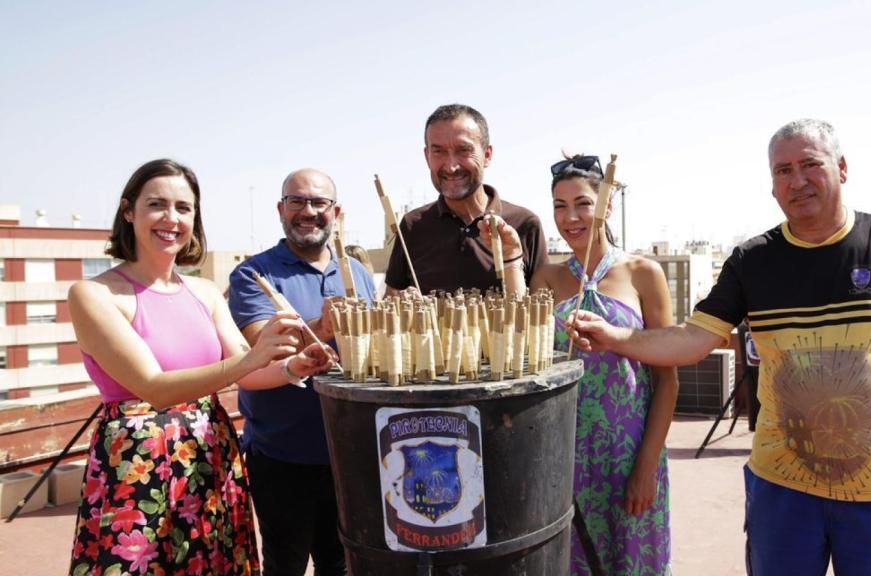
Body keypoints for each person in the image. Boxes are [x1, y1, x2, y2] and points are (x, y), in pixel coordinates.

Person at [569, 120, 871, 576]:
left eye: (810, 165)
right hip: (782, 493)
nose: (797, 181)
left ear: (841, 168)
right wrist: (614, 336)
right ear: (772, 185)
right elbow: (693, 340)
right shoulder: (754, 260)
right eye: (783, 171)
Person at [67, 159, 332, 576]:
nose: (171, 218)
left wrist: (295, 366)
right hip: (138, 468)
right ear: (128, 211)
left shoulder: (205, 291)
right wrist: (251, 357)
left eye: (184, 208)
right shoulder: (93, 294)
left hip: (209, 458)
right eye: (157, 204)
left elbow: (246, 372)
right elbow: (154, 387)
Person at [530, 154, 676, 573]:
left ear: (607, 205)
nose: (570, 217)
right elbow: (530, 361)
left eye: (582, 203)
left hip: (629, 453)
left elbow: (666, 380)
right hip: (566, 457)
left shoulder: (642, 273)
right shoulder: (547, 279)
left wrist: (647, 466)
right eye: (559, 205)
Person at [228, 168, 376, 576]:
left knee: (343, 565)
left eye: (318, 202)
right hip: (282, 457)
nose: (307, 211)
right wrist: (324, 327)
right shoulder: (253, 275)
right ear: (280, 208)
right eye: (297, 201)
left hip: (347, 454)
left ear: (336, 211)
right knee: (284, 566)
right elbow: (261, 349)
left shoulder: (358, 274)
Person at [384, 103, 548, 295]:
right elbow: (392, 300)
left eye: (463, 150)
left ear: (487, 155)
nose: (451, 166)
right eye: (439, 151)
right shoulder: (412, 226)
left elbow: (543, 309)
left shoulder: (524, 224)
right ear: (427, 156)